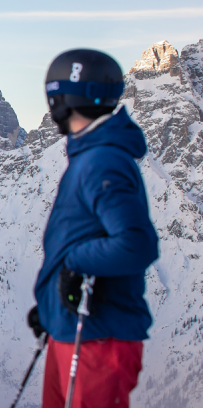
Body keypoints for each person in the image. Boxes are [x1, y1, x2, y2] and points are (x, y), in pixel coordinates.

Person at [29, 49, 159, 408]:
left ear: (63, 97)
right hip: (74, 329)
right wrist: (51, 306)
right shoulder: (92, 155)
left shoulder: (102, 160)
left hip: (98, 338)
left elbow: (138, 244)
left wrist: (74, 264)